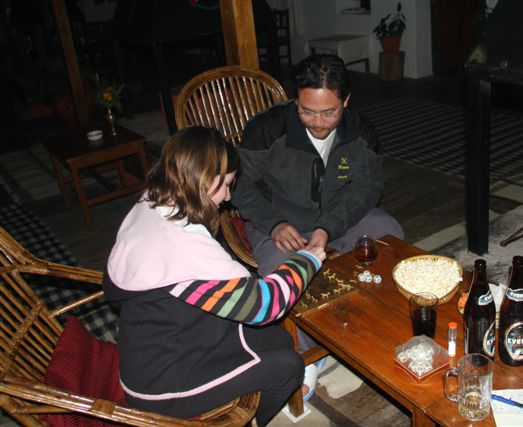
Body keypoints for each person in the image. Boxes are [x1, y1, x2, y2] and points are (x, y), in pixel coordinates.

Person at [103, 126, 325, 426]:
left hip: (168, 341)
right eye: (226, 185)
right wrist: (308, 259)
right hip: (163, 387)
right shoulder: (183, 243)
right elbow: (266, 305)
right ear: (203, 179)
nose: (228, 196)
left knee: (277, 337)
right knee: (288, 366)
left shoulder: (149, 203)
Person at [233, 53, 404, 398]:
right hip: (280, 222)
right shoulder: (267, 129)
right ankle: (308, 352)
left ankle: (367, 315)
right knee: (284, 274)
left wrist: (328, 228)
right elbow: (238, 186)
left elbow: (368, 188)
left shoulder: (360, 132)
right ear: (296, 99)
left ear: (346, 101)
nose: (318, 122)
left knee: (389, 235)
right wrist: (274, 223)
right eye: (306, 110)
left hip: (337, 217)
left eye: (329, 112)